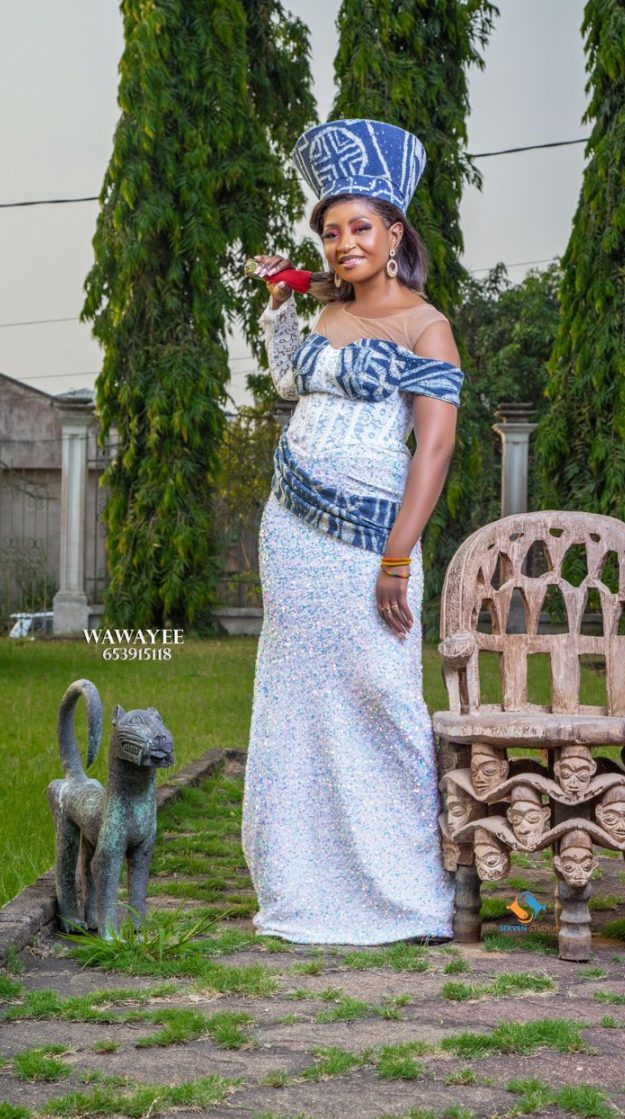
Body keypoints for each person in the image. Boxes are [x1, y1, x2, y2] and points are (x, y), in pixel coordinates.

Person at [241, 118, 464, 945]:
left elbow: (433, 448)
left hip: (372, 540)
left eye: (360, 228)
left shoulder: (426, 326)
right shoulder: (328, 317)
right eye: (331, 232)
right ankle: (300, 881)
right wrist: (279, 306)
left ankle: (403, 889)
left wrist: (398, 557)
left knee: (381, 693)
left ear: (394, 233)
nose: (344, 245)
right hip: (291, 528)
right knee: (296, 696)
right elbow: (288, 382)